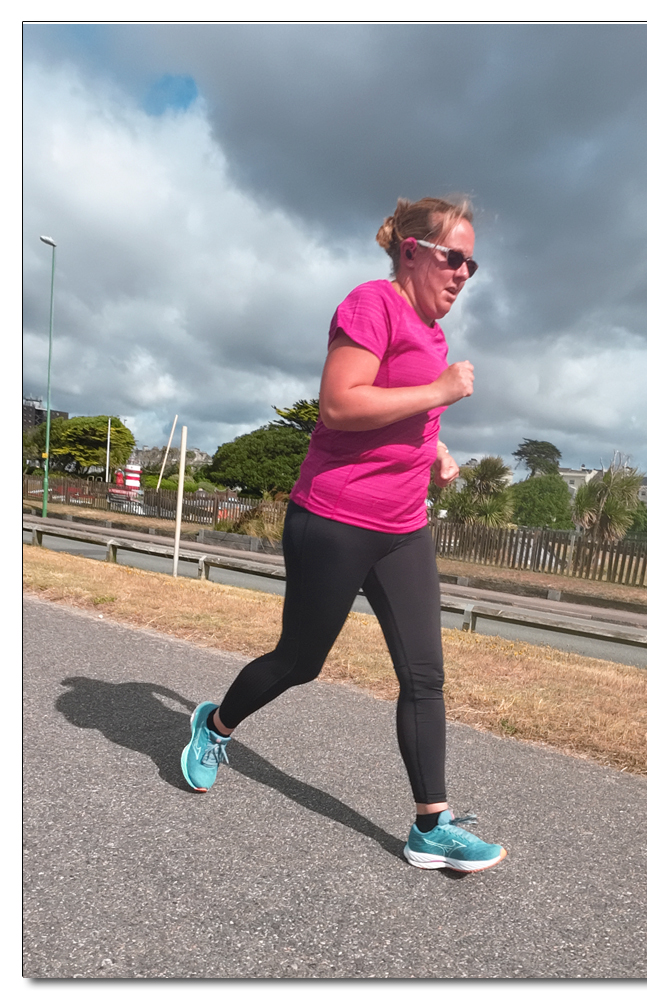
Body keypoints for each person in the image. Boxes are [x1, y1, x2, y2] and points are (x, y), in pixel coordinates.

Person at [181, 196, 506, 873]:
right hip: (333, 518)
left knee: (424, 677)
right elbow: (341, 402)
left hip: (403, 528)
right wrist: (440, 394)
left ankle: (431, 826)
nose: (464, 273)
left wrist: (436, 449)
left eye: (472, 264)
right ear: (413, 251)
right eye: (455, 257)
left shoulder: (433, 334)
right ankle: (215, 727)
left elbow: (406, 409)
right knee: (301, 662)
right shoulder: (370, 305)